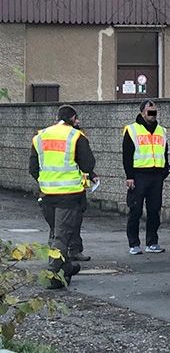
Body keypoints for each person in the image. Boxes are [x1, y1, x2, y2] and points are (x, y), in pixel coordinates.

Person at [29, 105, 98, 289]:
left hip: (46, 195)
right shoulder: (76, 136)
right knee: (60, 237)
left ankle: (66, 267)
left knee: (56, 234)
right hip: (68, 196)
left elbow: (33, 169)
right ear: (73, 118)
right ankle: (52, 275)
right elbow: (88, 164)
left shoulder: (40, 136)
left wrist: (46, 181)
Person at [123, 99, 170, 255]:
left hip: (156, 175)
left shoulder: (162, 131)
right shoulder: (132, 130)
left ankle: (152, 242)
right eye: (150, 111)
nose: (153, 114)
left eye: (155, 111)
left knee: (154, 210)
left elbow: (164, 152)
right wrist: (129, 176)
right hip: (138, 175)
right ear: (142, 112)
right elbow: (127, 156)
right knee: (135, 210)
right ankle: (134, 244)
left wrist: (164, 171)